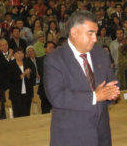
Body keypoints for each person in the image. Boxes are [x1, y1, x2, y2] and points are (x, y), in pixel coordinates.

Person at [44, 10, 120, 146]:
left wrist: (112, 92)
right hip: (71, 136)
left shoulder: (101, 53)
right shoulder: (54, 59)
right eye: (90, 33)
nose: (95, 39)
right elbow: (57, 96)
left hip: (101, 134)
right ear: (74, 32)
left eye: (96, 33)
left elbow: (111, 82)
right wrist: (94, 96)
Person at [8, 47, 36, 118]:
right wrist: (23, 74)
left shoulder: (28, 63)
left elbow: (33, 75)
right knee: (17, 113)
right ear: (14, 55)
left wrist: (29, 74)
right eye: (18, 53)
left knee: (26, 113)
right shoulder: (11, 65)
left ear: (24, 54)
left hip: (27, 93)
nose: (20, 55)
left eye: (21, 53)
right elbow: (12, 79)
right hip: (16, 93)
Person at [37, 41, 55, 114]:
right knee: (45, 111)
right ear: (45, 49)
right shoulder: (40, 60)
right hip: (45, 89)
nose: (51, 49)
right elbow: (42, 72)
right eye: (49, 47)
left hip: (56, 90)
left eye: (53, 48)